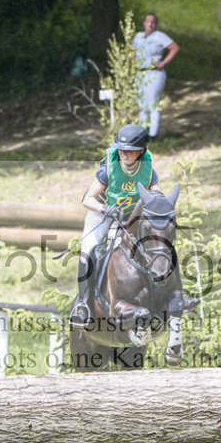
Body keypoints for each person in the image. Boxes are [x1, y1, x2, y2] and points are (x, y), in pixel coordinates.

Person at [70, 123, 160, 326]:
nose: (124, 154)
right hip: (102, 214)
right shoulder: (107, 169)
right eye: (121, 149)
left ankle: (165, 296)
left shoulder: (148, 169)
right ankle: (83, 305)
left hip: (131, 216)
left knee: (158, 243)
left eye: (129, 150)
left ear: (141, 151)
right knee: (89, 249)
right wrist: (105, 208)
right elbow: (87, 199)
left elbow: (155, 193)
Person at [133, 13, 179, 139]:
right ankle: (142, 133)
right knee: (142, 105)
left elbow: (174, 48)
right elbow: (134, 52)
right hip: (140, 72)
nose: (150, 24)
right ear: (144, 23)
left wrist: (163, 62)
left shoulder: (159, 36)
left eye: (153, 22)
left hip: (154, 73)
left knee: (152, 103)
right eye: (148, 21)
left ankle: (153, 134)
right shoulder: (138, 37)